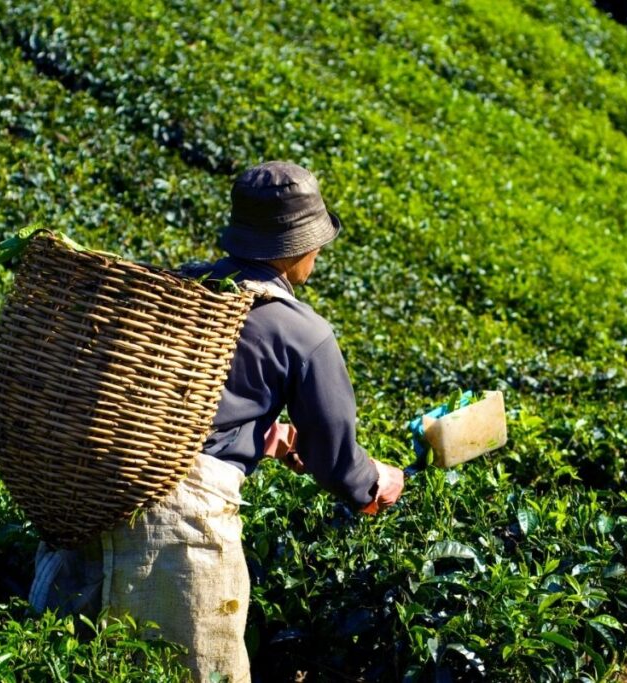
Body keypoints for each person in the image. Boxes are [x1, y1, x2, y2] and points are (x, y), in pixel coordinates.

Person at [29, 161, 405, 682]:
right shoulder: (303, 332)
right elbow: (336, 459)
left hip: (97, 493)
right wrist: (375, 483)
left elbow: (176, 404)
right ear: (298, 247)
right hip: (177, 531)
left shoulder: (182, 286)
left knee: (68, 664)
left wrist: (258, 435)